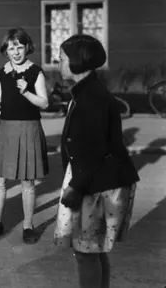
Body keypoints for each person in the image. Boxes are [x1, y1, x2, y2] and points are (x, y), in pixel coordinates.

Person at [54, 34, 139, 288]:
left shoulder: (90, 98)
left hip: (96, 183)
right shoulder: (87, 91)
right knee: (93, 250)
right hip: (96, 179)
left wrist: (76, 187)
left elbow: (93, 149)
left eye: (62, 59)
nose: (59, 63)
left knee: (86, 252)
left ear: (77, 61)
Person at [0, 28, 49, 243]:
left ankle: (28, 226)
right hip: (6, 129)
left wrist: (27, 92)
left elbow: (44, 103)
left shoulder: (35, 71)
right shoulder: (3, 72)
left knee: (27, 182)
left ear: (27, 48)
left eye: (19, 47)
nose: (15, 52)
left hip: (28, 128)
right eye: (11, 48)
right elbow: (1, 103)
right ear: (5, 51)